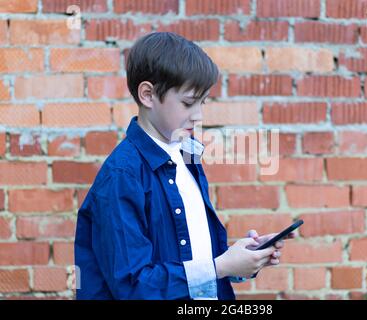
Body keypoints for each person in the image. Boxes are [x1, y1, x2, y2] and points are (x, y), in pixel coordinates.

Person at [74, 32, 293, 300]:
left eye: (203, 102)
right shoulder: (123, 175)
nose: (198, 115)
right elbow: (132, 286)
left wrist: (240, 261)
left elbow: (193, 258)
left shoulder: (187, 154)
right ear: (147, 94)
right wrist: (220, 267)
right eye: (189, 103)